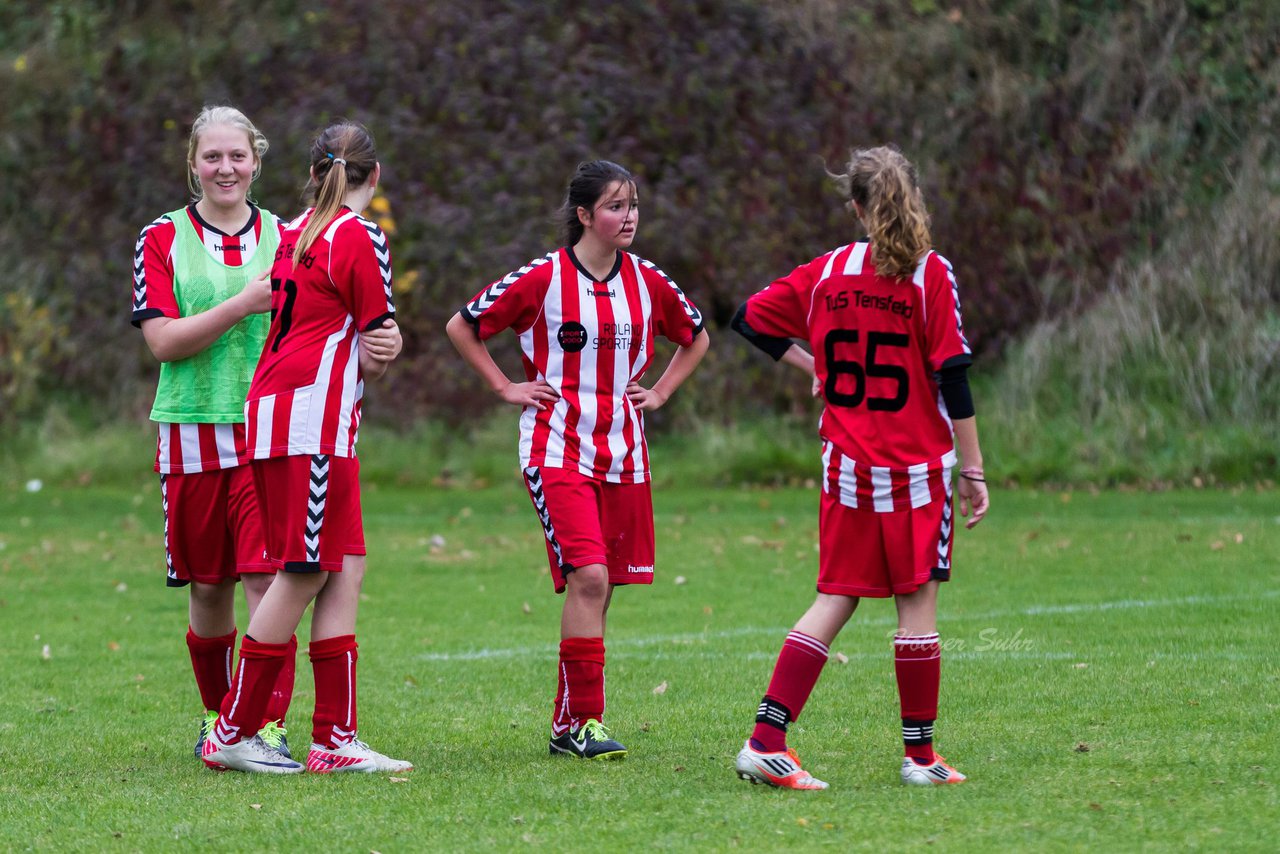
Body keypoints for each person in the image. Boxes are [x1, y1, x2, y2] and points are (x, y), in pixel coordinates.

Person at [730, 145, 989, 790]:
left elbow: (748, 320)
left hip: (845, 466)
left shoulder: (827, 271)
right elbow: (953, 377)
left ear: (855, 207)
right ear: (913, 198)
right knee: (917, 605)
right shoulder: (930, 274)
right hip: (914, 469)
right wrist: (975, 470)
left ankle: (766, 740)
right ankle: (920, 758)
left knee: (834, 599)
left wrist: (813, 363)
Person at [446, 160, 709, 760]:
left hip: (624, 453)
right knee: (589, 578)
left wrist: (662, 392)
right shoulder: (541, 279)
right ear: (584, 216)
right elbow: (462, 327)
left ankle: (569, 726)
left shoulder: (648, 280)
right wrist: (504, 386)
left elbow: (696, 335)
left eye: (634, 204)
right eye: (615, 206)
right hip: (555, 447)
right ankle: (585, 723)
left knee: (603, 585)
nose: (629, 216)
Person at [199, 121, 407, 774]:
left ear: (313, 174)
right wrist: (391, 347)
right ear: (374, 179)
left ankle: (334, 739)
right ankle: (232, 731)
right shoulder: (359, 236)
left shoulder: (288, 233)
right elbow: (376, 346)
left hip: (278, 418)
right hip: (308, 425)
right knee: (306, 571)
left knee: (343, 566)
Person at [132, 105, 301, 760]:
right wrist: (240, 306)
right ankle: (216, 714)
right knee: (211, 586)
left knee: (268, 578)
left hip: (269, 434)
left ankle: (262, 722)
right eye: (213, 156)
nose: (225, 167)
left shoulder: (289, 237)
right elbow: (164, 343)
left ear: (256, 161)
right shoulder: (162, 237)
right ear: (194, 165)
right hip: (192, 437)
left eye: (237, 156)